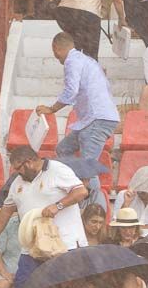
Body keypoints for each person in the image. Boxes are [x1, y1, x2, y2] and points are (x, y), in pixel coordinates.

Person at [36, 32, 120, 200]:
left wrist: (52, 109)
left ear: (56, 48)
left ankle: (95, 208)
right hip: (91, 119)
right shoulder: (87, 60)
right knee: (63, 149)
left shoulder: (72, 61)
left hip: (97, 118)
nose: (56, 58)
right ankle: (70, 185)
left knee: (87, 168)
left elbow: (71, 91)